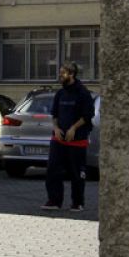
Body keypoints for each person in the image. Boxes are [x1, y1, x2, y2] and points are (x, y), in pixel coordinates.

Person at [43, 61, 95, 212]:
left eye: (63, 73)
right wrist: (56, 128)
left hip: (77, 140)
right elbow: (54, 115)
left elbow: (87, 115)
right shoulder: (60, 93)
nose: (60, 76)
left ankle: (77, 203)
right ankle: (54, 201)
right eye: (60, 73)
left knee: (76, 173)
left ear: (71, 74)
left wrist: (73, 128)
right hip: (58, 140)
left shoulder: (83, 93)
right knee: (53, 170)